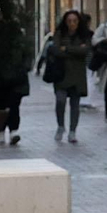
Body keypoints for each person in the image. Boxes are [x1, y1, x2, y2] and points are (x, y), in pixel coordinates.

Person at [43, 10, 93, 143]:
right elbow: (56, 50)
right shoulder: (60, 34)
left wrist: (67, 48)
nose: (72, 24)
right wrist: (75, 50)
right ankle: (60, 126)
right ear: (65, 22)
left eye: (75, 21)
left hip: (77, 75)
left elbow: (85, 50)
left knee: (75, 104)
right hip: (61, 73)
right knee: (60, 100)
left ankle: (72, 131)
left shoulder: (84, 35)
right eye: (69, 21)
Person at [0, 32, 35, 147]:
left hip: (16, 78)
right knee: (0, 104)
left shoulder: (19, 39)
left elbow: (28, 55)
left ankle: (13, 130)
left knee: (13, 105)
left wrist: (24, 68)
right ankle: (1, 131)